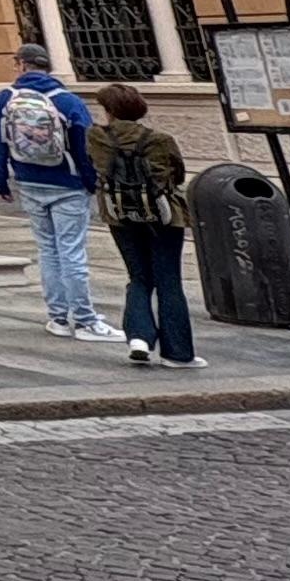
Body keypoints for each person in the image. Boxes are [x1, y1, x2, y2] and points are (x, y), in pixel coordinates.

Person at [0, 41, 104, 338]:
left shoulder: (5, 98)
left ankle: (58, 318)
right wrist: (91, 182)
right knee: (72, 252)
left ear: (21, 65)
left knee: (48, 251)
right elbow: (84, 148)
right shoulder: (69, 101)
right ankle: (85, 320)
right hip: (68, 184)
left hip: (28, 181)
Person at [88, 81, 200, 369]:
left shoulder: (97, 137)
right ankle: (178, 353)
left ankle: (138, 336)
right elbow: (177, 173)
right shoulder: (160, 139)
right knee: (168, 280)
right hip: (164, 216)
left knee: (138, 276)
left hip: (119, 214)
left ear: (109, 111)